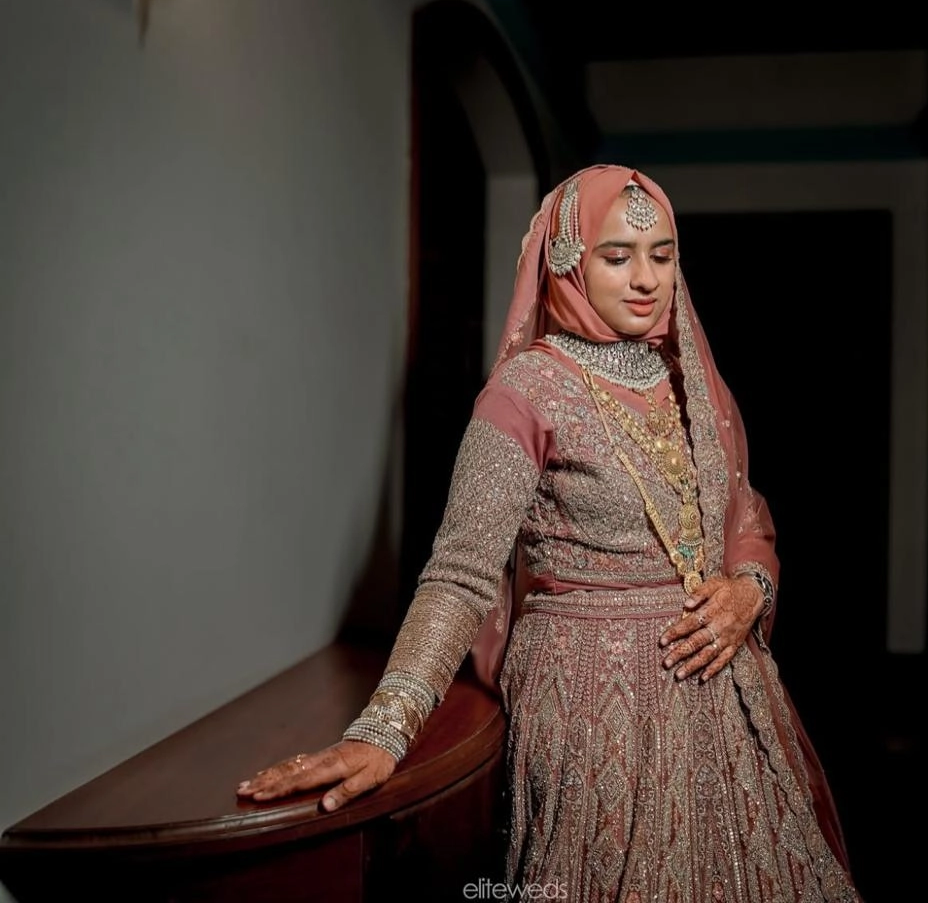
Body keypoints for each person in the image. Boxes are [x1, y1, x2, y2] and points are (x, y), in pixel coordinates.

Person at [237, 165, 863, 902]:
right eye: (616, 255)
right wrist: (383, 730)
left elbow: (743, 516)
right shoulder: (524, 393)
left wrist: (746, 591)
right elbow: (461, 574)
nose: (644, 278)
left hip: (721, 697)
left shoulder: (688, 380)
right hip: (593, 706)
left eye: (661, 255)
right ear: (566, 260)